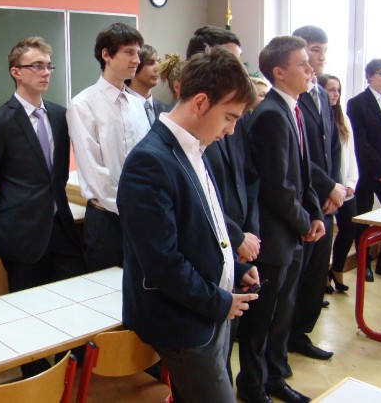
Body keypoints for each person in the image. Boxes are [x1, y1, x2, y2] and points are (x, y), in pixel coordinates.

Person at [118, 46, 260, 403]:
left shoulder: (194, 145)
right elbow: (162, 263)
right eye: (229, 117)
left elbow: (205, 225)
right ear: (200, 103)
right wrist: (218, 302)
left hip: (210, 308)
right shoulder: (149, 162)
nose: (231, 130)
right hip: (184, 321)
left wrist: (235, 268)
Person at [237, 36, 325, 403]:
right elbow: (277, 186)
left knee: (283, 315)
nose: (310, 69)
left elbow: (303, 172)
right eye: (302, 63)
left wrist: (315, 213)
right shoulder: (271, 114)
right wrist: (304, 223)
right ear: (279, 72)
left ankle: (275, 378)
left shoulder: (294, 108)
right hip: (274, 236)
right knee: (263, 319)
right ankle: (252, 385)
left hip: (292, 232)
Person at [0, 37, 85, 293]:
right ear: (16, 72)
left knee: (74, 297)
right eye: (37, 66)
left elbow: (58, 174)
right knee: (31, 307)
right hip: (21, 235)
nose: (45, 72)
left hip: (61, 228)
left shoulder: (59, 116)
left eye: (48, 66)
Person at [187, 26, 261, 384]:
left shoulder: (222, 126)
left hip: (230, 255)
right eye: (232, 61)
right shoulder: (177, 147)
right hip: (200, 294)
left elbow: (246, 178)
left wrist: (237, 253)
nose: (231, 128)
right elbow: (198, 211)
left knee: (224, 358)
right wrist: (235, 238)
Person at [66, 22, 149, 272]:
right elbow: (95, 172)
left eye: (138, 53)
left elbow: (149, 162)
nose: (136, 60)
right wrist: (131, 207)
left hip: (142, 215)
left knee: (143, 287)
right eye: (129, 52)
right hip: (108, 219)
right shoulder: (83, 105)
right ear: (106, 55)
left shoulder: (138, 105)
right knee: (106, 290)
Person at [288, 25, 343, 362]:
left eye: (324, 50)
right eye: (314, 49)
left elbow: (332, 146)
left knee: (315, 274)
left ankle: (301, 333)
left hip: (326, 200)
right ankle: (284, 336)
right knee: (297, 274)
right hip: (305, 197)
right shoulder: (293, 98)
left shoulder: (322, 94)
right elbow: (300, 153)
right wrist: (326, 187)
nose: (320, 57)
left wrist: (335, 188)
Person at [347, 58, 381, 281]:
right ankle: (364, 263)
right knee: (363, 218)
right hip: (366, 171)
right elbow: (360, 141)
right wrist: (380, 168)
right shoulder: (357, 103)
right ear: (370, 76)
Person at [319, 74, 358, 291]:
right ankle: (322, 276)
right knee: (324, 234)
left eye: (338, 90)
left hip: (345, 186)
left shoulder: (343, 118)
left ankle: (338, 268)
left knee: (349, 227)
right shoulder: (318, 116)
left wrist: (351, 182)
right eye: (331, 90)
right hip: (328, 186)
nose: (335, 94)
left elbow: (350, 154)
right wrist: (331, 186)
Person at [126, 44, 169, 124]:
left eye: (158, 61)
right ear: (134, 66)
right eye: (150, 63)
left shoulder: (165, 111)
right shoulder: (120, 105)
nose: (158, 68)